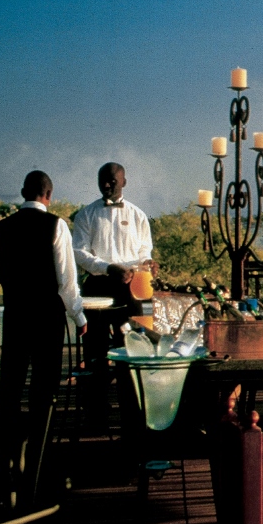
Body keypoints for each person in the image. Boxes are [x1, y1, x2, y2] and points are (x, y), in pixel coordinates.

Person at [0, 170, 86, 418]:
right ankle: (40, 439)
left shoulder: (3, 227)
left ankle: (11, 438)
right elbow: (66, 282)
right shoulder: (57, 225)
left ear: (22, 194)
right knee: (45, 380)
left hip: (16, 314)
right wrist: (79, 317)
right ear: (49, 195)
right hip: (47, 317)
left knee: (12, 379)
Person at [71, 162, 154, 427]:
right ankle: (95, 412)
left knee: (132, 344)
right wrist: (108, 268)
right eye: (103, 181)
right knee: (95, 348)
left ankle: (134, 409)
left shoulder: (138, 215)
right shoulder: (86, 214)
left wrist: (147, 264)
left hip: (130, 287)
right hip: (98, 285)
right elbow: (80, 253)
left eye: (112, 181)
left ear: (124, 182)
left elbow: (144, 251)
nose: (107, 185)